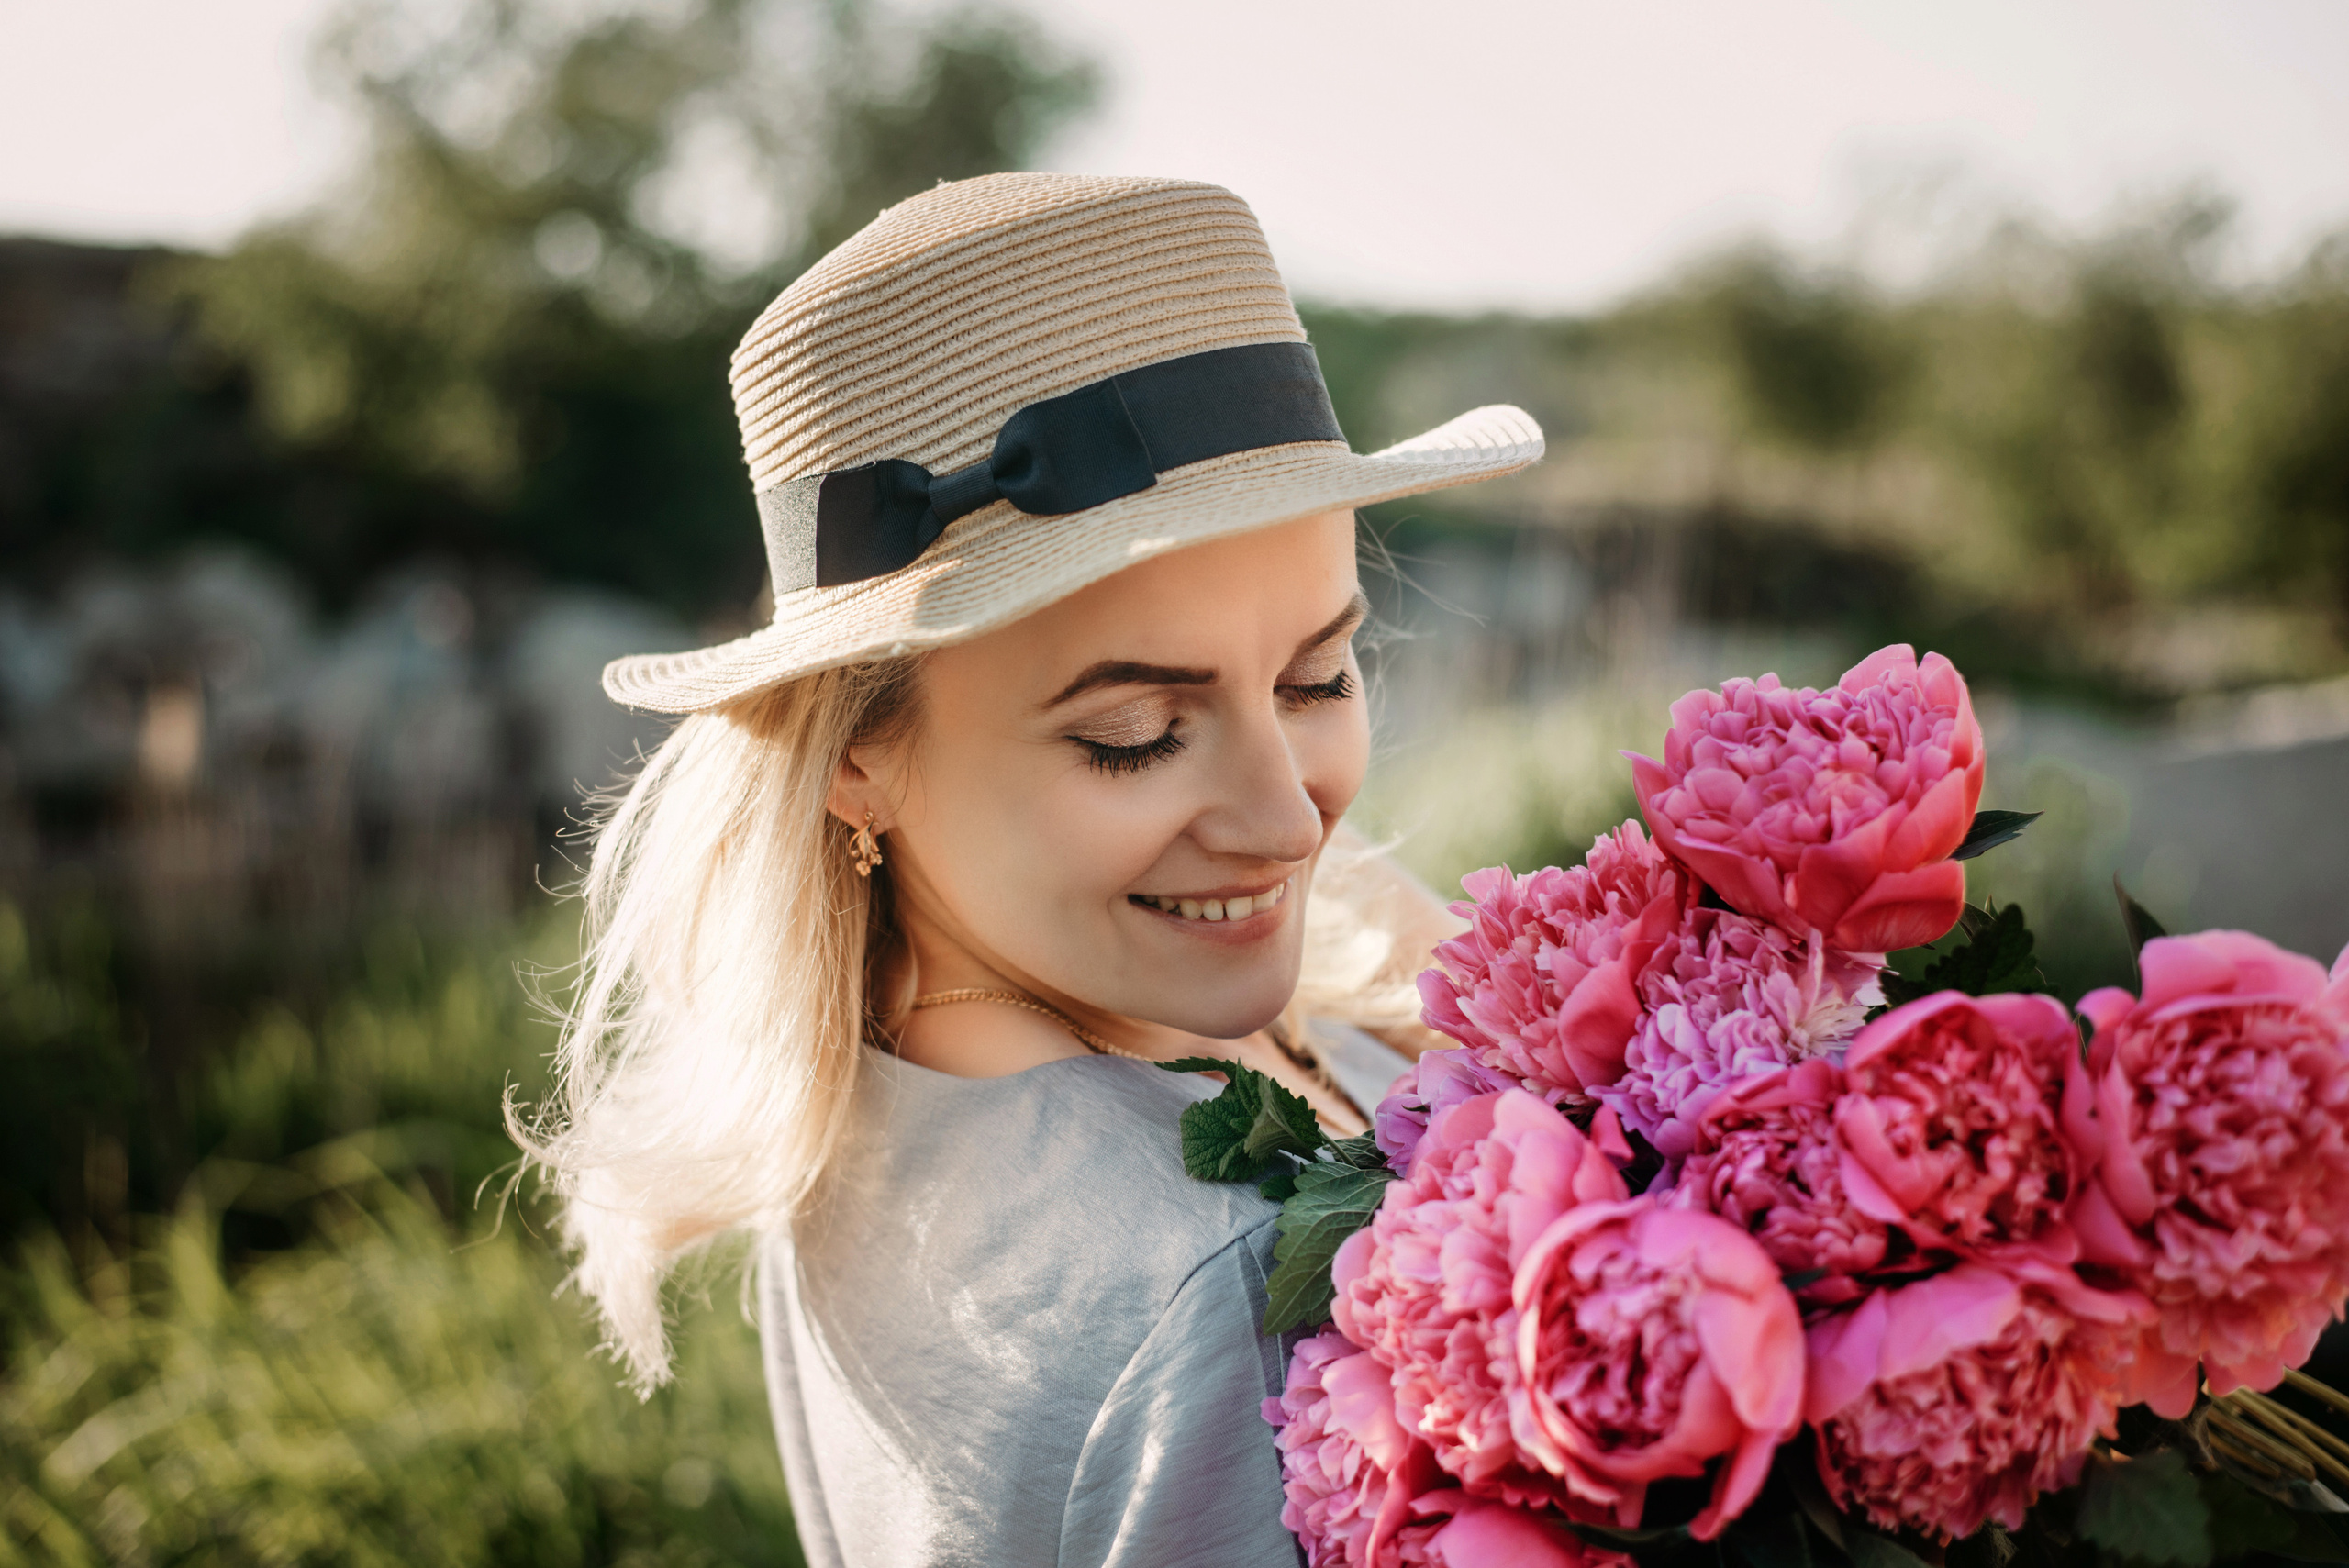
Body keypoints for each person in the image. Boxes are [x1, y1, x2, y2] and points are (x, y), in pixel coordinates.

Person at [519, 172, 1543, 1566]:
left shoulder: (865, 1074)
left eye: (1317, 677)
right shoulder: (1227, 1284)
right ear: (856, 756)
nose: (1291, 823)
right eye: (1135, 735)